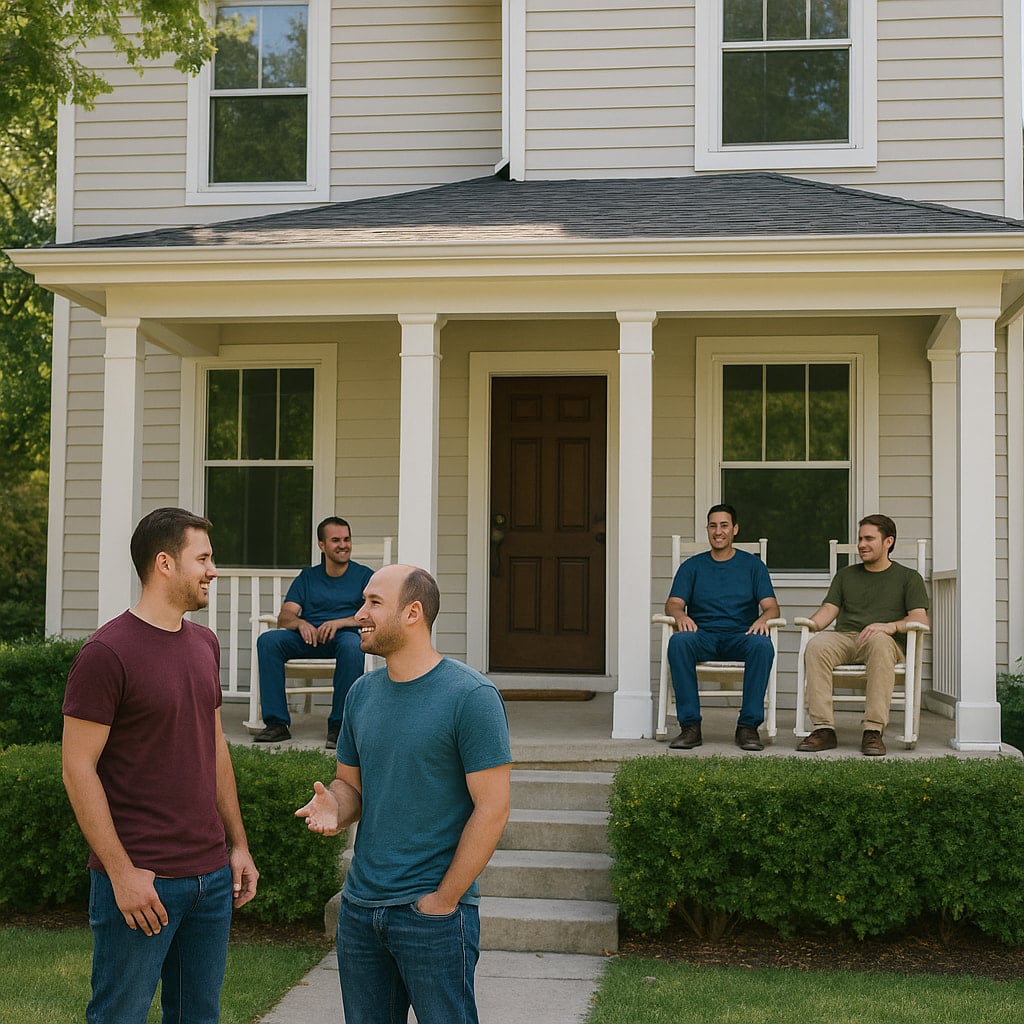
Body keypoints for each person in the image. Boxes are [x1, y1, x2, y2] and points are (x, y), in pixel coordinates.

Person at [61, 507, 258, 1024]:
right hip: (142, 880)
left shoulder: (204, 644)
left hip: (210, 879)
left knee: (198, 1015)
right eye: (204, 558)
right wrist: (122, 874)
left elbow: (214, 748)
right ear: (165, 563)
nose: (213, 570)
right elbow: (77, 769)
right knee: (118, 1015)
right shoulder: (107, 653)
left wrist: (237, 845)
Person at [295, 564, 511, 1024]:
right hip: (360, 911)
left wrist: (444, 900)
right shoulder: (361, 694)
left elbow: (493, 808)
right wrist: (335, 805)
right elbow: (350, 785)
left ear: (413, 613)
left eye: (374, 603)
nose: (360, 614)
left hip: (430, 914)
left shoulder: (470, 696)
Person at [796, 513, 930, 757]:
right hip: (847, 638)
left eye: (869, 538)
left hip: (886, 643)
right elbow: (829, 610)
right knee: (816, 645)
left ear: (888, 542)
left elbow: (920, 619)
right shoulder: (846, 575)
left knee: (879, 642)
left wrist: (890, 626)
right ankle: (824, 728)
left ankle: (873, 731)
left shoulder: (908, 578)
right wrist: (810, 624)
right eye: (860, 539)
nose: (861, 544)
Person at [664, 503, 781, 752]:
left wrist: (763, 619)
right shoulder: (692, 566)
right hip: (702, 634)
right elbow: (673, 603)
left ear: (735, 529)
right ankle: (690, 727)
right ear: (707, 529)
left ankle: (747, 727)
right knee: (678, 642)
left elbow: (772, 607)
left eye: (724, 525)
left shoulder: (753, 566)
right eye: (713, 526)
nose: (718, 531)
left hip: (741, 634)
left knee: (762, 645)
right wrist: (678, 615)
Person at [254, 516, 374, 747]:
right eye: (336, 540)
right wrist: (300, 624)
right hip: (307, 639)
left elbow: (372, 614)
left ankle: (339, 727)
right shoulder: (308, 577)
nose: (343, 545)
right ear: (322, 545)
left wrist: (340, 622)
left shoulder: (364, 576)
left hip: (344, 637)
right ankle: (277, 724)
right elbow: (285, 617)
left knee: (352, 646)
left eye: (347, 539)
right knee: (268, 641)